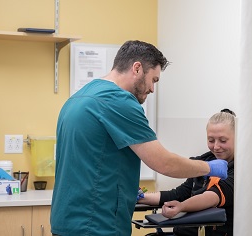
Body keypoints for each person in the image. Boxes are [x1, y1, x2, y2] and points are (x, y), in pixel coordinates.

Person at [50, 40, 228, 236]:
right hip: (96, 224)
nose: (152, 89)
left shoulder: (78, 98)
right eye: (154, 80)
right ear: (137, 68)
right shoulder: (118, 101)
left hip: (66, 221)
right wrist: (210, 167)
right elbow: (164, 163)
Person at [138, 109, 235, 236]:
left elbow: (212, 197)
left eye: (223, 141)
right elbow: (179, 193)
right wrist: (140, 197)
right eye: (211, 140)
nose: (216, 147)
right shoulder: (203, 163)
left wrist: (182, 207)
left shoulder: (240, 170)